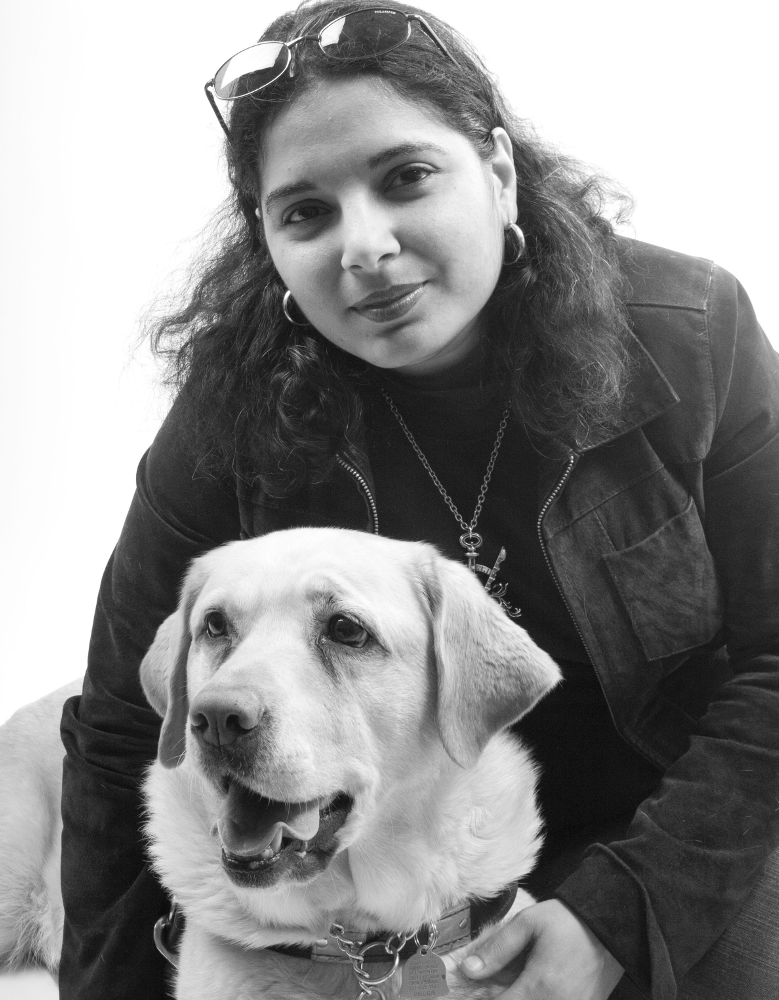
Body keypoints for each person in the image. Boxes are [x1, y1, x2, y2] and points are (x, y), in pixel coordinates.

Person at [58, 1, 779, 998]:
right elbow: (114, 736)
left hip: (665, 822)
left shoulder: (690, 335)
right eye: (304, 211)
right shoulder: (230, 418)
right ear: (267, 242)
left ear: (494, 169)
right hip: (385, 863)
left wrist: (615, 909)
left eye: (404, 178)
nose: (363, 246)